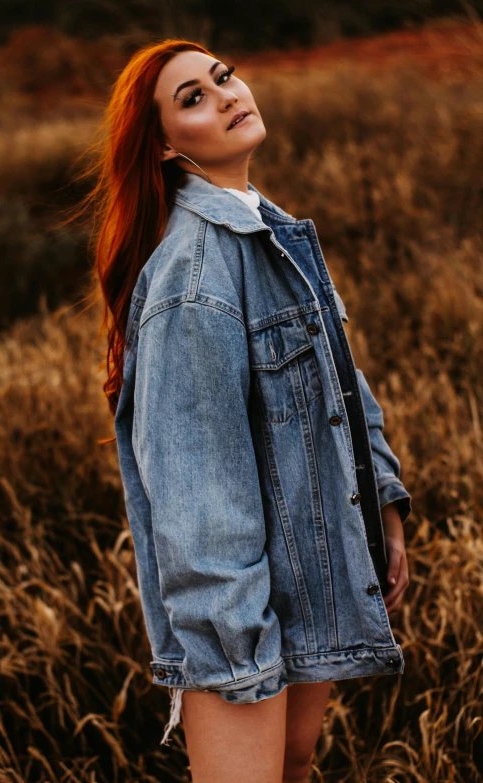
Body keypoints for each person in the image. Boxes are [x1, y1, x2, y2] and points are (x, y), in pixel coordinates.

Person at [90, 38, 412, 783]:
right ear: (167, 148)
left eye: (223, 76)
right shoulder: (192, 278)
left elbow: (341, 381)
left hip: (307, 568)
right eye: (194, 98)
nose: (228, 94)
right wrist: (235, 651)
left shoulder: (270, 228)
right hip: (241, 616)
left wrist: (383, 507)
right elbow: (196, 498)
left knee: (295, 762)